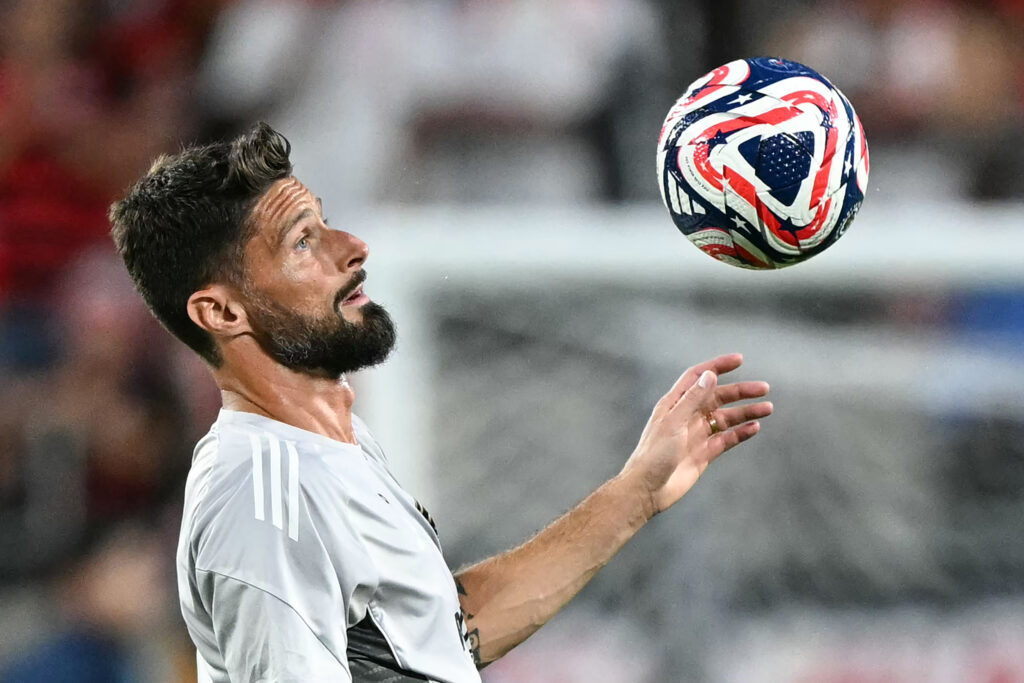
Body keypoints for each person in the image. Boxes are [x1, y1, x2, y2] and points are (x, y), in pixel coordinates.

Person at [108, 122, 773, 682]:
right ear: (222, 312)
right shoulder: (266, 502)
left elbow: (442, 636)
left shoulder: (326, 446)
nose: (352, 248)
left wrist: (636, 492)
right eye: (303, 242)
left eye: (326, 223)